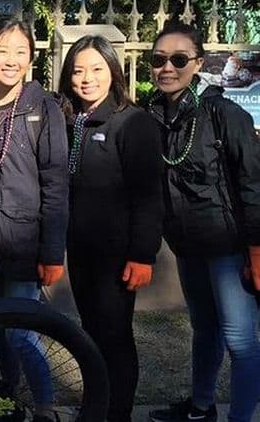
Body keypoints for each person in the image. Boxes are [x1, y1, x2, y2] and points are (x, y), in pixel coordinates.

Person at [145, 23, 260, 422]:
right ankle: (201, 406)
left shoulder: (223, 114)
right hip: (187, 245)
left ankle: (240, 417)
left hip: (229, 247)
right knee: (204, 329)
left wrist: (256, 251)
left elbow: (252, 183)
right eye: (159, 59)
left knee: (240, 339)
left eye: (179, 59)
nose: (167, 68)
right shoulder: (154, 114)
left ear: (197, 63)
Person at [57, 35, 164, 422]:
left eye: (96, 69)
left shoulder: (133, 122)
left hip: (117, 257)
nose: (87, 79)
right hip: (81, 252)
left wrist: (142, 255)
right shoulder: (73, 120)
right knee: (92, 335)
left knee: (115, 338)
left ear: (113, 72)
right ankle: (97, 407)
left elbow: (148, 195)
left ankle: (118, 414)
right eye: (78, 71)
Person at [0, 18, 69, 422]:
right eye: (2, 50)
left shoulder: (44, 107)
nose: (10, 60)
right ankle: (10, 402)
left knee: (21, 331)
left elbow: (55, 183)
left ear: (31, 59)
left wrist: (52, 252)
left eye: (20, 51)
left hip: (24, 241)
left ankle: (45, 407)